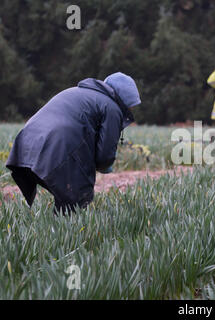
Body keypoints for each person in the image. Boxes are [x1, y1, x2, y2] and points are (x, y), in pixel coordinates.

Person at [6, 72, 141, 215]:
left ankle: (49, 229)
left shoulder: (75, 91)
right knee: (78, 200)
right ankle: (59, 233)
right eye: (132, 105)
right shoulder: (112, 108)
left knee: (65, 199)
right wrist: (105, 166)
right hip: (56, 149)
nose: (132, 109)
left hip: (25, 147)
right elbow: (105, 156)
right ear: (124, 100)